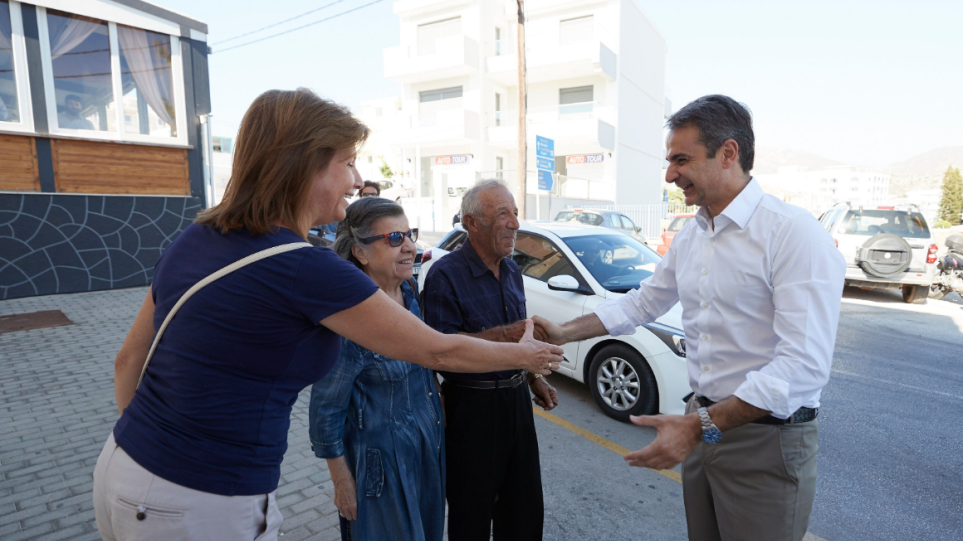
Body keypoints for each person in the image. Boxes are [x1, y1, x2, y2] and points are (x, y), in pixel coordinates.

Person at [92, 88, 564, 541]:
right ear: (304, 167)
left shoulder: (196, 237)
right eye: (347, 162)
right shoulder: (304, 265)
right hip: (203, 502)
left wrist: (151, 455)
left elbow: (127, 361)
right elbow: (437, 350)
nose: (357, 180)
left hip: (122, 467)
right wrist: (522, 355)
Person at [533, 95, 846, 541]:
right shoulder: (694, 233)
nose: (669, 174)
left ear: (729, 153)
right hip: (704, 424)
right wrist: (565, 332)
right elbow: (642, 303)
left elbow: (802, 366)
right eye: (668, 161)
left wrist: (697, 426)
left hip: (765, 441)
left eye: (681, 159)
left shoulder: (793, 233)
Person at [421, 179, 559, 541]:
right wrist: (507, 336)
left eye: (515, 213)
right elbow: (441, 350)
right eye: (503, 214)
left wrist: (533, 378)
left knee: (525, 509)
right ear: (471, 223)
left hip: (515, 404)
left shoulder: (512, 270)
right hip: (471, 409)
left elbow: (521, 338)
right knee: (471, 514)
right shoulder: (444, 275)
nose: (515, 223)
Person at [310, 197, 444, 541]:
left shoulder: (410, 293)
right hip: (382, 467)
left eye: (410, 234)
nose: (411, 247)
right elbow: (325, 412)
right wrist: (342, 482)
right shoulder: (350, 318)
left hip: (427, 450)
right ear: (360, 252)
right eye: (395, 239)